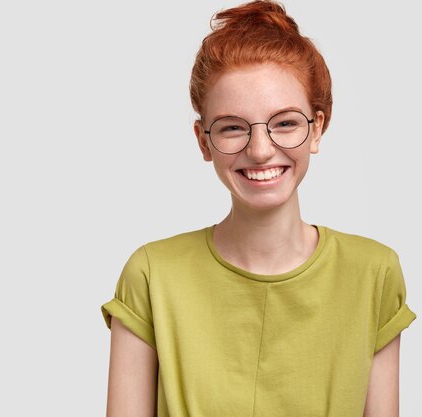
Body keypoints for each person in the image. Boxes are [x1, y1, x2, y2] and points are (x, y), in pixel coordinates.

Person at [100, 1, 417, 416]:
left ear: (317, 127)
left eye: (285, 122)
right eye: (233, 127)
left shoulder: (374, 272)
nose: (261, 150)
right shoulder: (151, 275)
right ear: (203, 141)